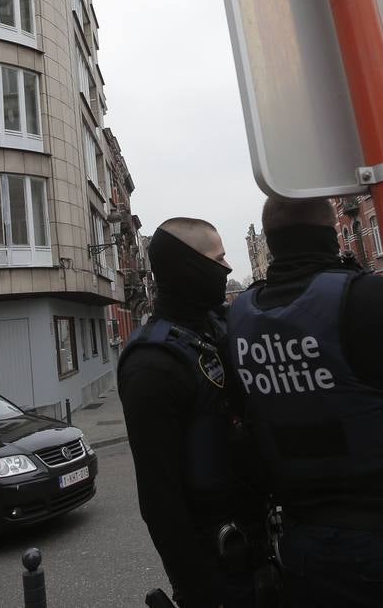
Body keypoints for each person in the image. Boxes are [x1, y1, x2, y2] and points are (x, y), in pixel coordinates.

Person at [225, 196, 383, 608]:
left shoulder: (240, 316)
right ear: (329, 234)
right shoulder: (369, 296)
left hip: (301, 544)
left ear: (271, 245)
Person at [118, 218, 265, 608]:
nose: (228, 268)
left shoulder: (215, 328)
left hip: (259, 549)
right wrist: (200, 589)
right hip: (218, 565)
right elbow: (159, 499)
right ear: (191, 267)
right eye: (219, 259)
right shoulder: (152, 363)